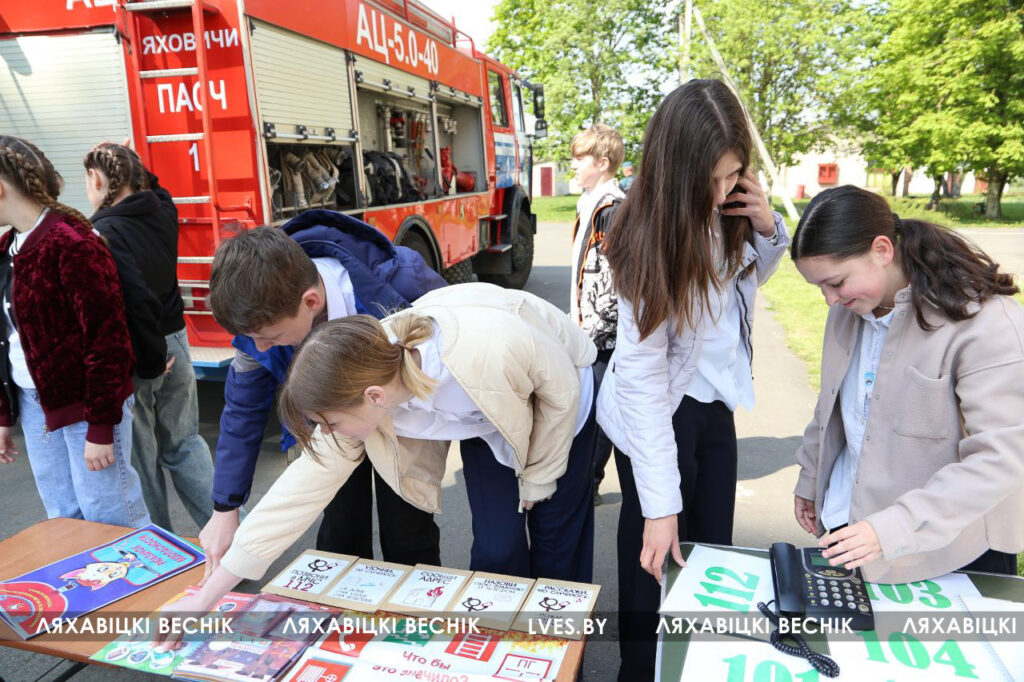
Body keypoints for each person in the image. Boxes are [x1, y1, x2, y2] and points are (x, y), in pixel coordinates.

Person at [154, 284, 598, 645]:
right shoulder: (362, 386)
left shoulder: (484, 351)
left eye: (330, 423)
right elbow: (295, 496)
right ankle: (514, 656)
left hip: (559, 407)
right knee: (497, 550)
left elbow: (561, 386)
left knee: (556, 548)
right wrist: (204, 599)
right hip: (489, 421)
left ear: (375, 397)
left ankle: (563, 658)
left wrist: (541, 475)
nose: (331, 431)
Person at [596, 80, 789, 681]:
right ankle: (640, 670)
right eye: (713, 178)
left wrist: (766, 227)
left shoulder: (728, 211)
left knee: (710, 558)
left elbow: (743, 283)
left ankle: (696, 666)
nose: (724, 190)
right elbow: (642, 379)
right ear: (677, 168)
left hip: (715, 405)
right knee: (656, 556)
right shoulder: (644, 237)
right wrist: (660, 506)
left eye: (734, 175)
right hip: (660, 412)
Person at [791, 185, 1024, 583]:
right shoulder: (848, 311)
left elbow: (1001, 458)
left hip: (955, 552)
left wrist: (892, 529)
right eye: (819, 288)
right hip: (858, 534)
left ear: (882, 250)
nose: (829, 300)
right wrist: (812, 477)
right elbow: (831, 406)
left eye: (837, 282)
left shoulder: (987, 323)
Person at [199, 215, 446, 582]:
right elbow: (242, 411)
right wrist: (225, 506)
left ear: (311, 302)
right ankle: (341, 613)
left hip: (402, 423)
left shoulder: (400, 284)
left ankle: (413, 607)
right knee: (340, 527)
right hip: (331, 427)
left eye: (270, 338)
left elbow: (451, 363)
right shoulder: (260, 316)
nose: (260, 347)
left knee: (407, 528)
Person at [0, 135, 150, 528]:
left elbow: (108, 342)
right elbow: (7, 340)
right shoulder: (7, 250)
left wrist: (100, 426)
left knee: (112, 517)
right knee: (64, 519)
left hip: (88, 406)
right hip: (35, 404)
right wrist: (4, 414)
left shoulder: (71, 243)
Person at [85, 142, 215, 532]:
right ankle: (228, 535)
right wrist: (133, 161)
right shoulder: (163, 209)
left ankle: (162, 546)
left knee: (143, 461)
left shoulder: (105, 231)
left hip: (143, 353)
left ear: (96, 179)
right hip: (177, 341)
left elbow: (137, 299)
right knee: (185, 444)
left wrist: (152, 361)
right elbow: (157, 188)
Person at [568, 124, 625, 504]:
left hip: (603, 336)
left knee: (600, 410)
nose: (573, 165)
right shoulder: (589, 201)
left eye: (580, 159)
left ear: (602, 163)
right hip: (587, 329)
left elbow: (615, 285)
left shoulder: (612, 209)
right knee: (587, 406)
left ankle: (590, 482)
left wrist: (592, 333)